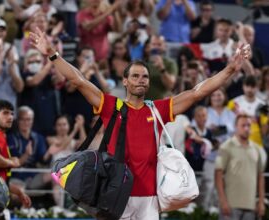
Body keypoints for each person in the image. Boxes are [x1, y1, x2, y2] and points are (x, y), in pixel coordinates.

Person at [30, 27, 251, 220]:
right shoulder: (111, 106)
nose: (140, 80)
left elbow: (196, 93)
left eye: (144, 77)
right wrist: (52, 54)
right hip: (114, 196)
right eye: (135, 76)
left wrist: (230, 69)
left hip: (149, 198)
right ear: (125, 81)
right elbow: (78, 80)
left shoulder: (158, 109)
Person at [0, 100, 31, 218]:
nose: (10, 117)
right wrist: (12, 162)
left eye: (11, 113)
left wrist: (19, 192)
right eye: (5, 113)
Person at [215, 114, 265, 220]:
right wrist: (223, 201)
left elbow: (260, 177)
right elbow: (218, 175)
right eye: (243, 125)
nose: (246, 128)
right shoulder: (226, 147)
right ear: (235, 127)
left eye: (248, 125)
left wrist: (261, 202)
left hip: (250, 206)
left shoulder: (256, 149)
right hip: (230, 205)